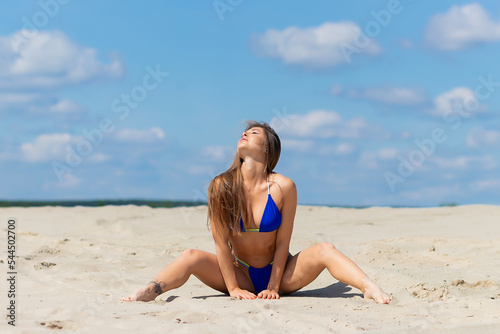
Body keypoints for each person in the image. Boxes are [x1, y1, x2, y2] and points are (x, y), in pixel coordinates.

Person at [121, 121, 391, 303]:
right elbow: (221, 243)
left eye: (254, 133)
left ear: (267, 148)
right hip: (239, 273)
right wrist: (234, 288)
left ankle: (367, 286)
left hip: (281, 273)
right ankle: (151, 290)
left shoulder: (284, 186)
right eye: (244, 132)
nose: (245, 134)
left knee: (325, 248)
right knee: (190, 256)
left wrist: (274, 286)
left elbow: (284, 241)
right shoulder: (220, 186)